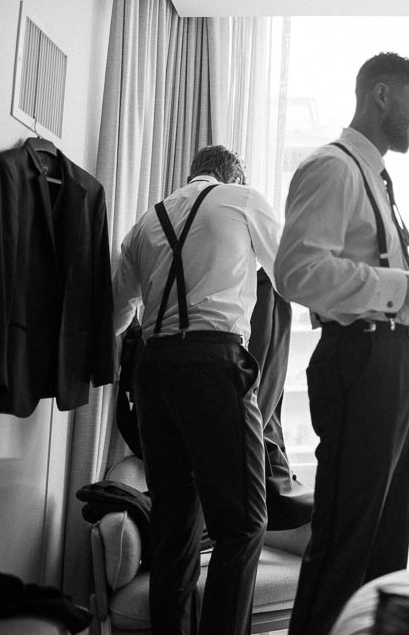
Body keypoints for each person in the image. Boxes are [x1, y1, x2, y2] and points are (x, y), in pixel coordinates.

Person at [274, 52, 409, 635]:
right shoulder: (333, 168)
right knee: (349, 532)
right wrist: (401, 286)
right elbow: (296, 273)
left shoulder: (375, 175)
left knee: (386, 532)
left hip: (392, 357)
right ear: (381, 95)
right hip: (360, 359)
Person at [111, 145, 278, 635]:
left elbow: (118, 313)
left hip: (154, 371)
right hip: (213, 364)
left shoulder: (146, 222)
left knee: (174, 528)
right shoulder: (241, 200)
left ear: (192, 176)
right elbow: (291, 272)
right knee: (243, 523)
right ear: (233, 176)